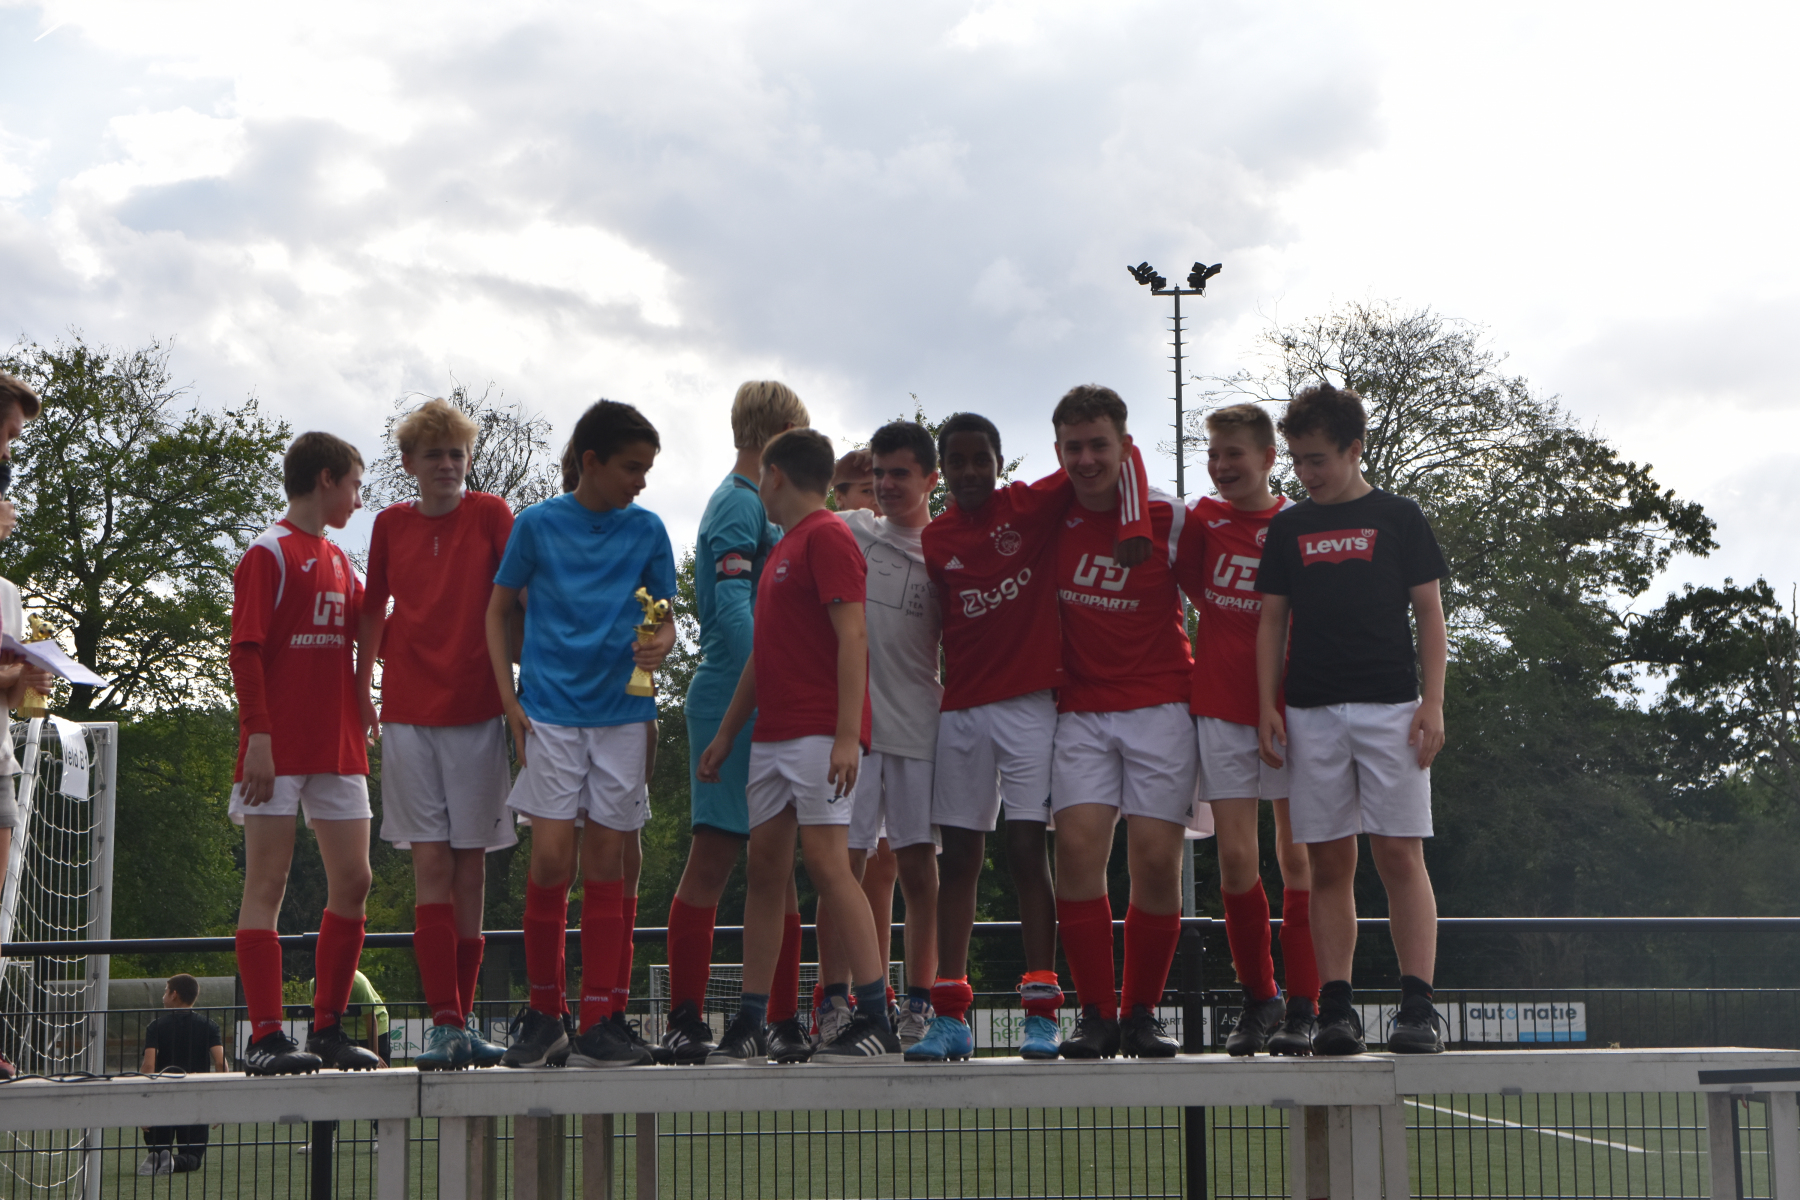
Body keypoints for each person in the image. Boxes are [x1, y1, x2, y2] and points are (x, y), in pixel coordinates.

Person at [915, 413, 1149, 1062]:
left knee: (1025, 849)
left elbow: (1121, 457)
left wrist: (1133, 527)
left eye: (980, 460)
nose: (969, 472)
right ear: (942, 470)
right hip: (962, 710)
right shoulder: (935, 539)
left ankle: (1041, 1011)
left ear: (999, 462)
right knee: (958, 859)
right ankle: (949, 1014)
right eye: (956, 461)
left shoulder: (1029, 505)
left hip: (1030, 707)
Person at [1254, 382, 1449, 1056]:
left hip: (1392, 707)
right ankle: (1335, 1009)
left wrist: (1433, 701)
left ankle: (1418, 1007)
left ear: (1354, 449)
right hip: (1310, 710)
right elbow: (1272, 620)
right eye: (1297, 460)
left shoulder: (1399, 515)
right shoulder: (1288, 527)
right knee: (1328, 861)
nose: (1306, 473)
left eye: (1318, 459)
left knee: (1398, 853)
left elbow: (1429, 612)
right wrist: (1267, 704)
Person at [486, 400, 677, 1069]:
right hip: (551, 714)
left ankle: (600, 1020)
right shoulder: (537, 524)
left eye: (647, 469)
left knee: (607, 864)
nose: (641, 481)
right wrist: (510, 701)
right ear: (591, 462)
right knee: (549, 861)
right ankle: (546, 1016)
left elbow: (664, 615)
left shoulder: (648, 529)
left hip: (623, 716)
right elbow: (497, 610)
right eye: (631, 467)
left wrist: (661, 642)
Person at [697, 428, 896, 1063]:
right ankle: (751, 1019)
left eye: (762, 474)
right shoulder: (783, 547)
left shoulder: (828, 535)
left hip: (817, 733)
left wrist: (846, 735)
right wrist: (727, 734)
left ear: (776, 475)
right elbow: (764, 655)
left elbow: (853, 636)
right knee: (765, 871)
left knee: (829, 865)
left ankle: (876, 1015)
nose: (757, 484)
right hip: (773, 737)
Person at [357, 398, 514, 1071]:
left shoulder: (493, 514)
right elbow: (372, 608)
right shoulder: (389, 524)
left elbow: (520, 600)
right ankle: (445, 1021)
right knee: (431, 865)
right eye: (434, 455)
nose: (447, 465)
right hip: (408, 712)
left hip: (479, 709)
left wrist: (525, 693)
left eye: (456, 453)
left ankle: (462, 1022)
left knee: (471, 867)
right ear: (409, 464)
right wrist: (362, 689)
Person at [661, 382, 812, 1066]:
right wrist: (772, 681)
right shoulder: (738, 502)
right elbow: (728, 608)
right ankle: (684, 1018)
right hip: (733, 696)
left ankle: (780, 1019)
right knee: (717, 853)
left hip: (764, 698)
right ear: (781, 431)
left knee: (777, 863)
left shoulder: (763, 504)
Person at [1049, 385, 1195, 1061]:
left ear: (1125, 446)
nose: (1086, 460)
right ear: (1058, 450)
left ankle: (1142, 1012)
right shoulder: (1049, 515)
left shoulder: (1170, 517)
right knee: (1077, 854)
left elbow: (1227, 600)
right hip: (1080, 710)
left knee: (1157, 861)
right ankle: (1095, 1014)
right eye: (1073, 447)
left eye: (1099, 445)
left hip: (1161, 704)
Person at [231, 432, 381, 1076]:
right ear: (326, 478)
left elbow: (370, 630)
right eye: (354, 485)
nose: (358, 499)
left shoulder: (342, 560)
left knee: (356, 880)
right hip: (276, 747)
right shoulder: (268, 552)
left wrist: (366, 694)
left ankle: (326, 1028)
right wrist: (259, 736)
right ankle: (265, 1035)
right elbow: (245, 651)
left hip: (336, 742)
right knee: (266, 883)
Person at [1172, 403, 1319, 1056]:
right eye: (1214, 455)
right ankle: (1260, 997)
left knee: (1298, 855)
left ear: (1267, 458)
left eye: (1234, 454)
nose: (1222, 466)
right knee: (1235, 858)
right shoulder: (1201, 520)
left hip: (1295, 708)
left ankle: (1308, 1003)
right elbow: (1194, 591)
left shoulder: (1297, 524)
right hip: (1220, 704)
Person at [818, 423, 943, 1055]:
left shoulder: (948, 550)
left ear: (930, 480)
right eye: (878, 475)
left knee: (918, 868)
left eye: (899, 474)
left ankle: (920, 1002)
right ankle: (834, 1002)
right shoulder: (847, 530)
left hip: (921, 728)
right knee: (841, 865)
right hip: (854, 733)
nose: (887, 486)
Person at [137, 974, 224, 1176]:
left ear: (174, 994)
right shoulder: (209, 1025)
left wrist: (143, 1104)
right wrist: (219, 1103)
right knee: (193, 1156)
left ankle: (158, 1156)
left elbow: (149, 1065)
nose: (163, 997)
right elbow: (220, 1062)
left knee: (158, 1148)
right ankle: (175, 1162)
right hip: (195, 1097)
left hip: (162, 1097)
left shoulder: (156, 1026)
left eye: (165, 991)